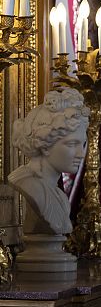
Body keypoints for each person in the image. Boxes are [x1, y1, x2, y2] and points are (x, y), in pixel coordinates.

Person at [9, 88, 88, 236]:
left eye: (82, 145)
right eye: (71, 144)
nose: (81, 154)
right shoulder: (29, 185)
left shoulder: (60, 197)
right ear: (45, 146)